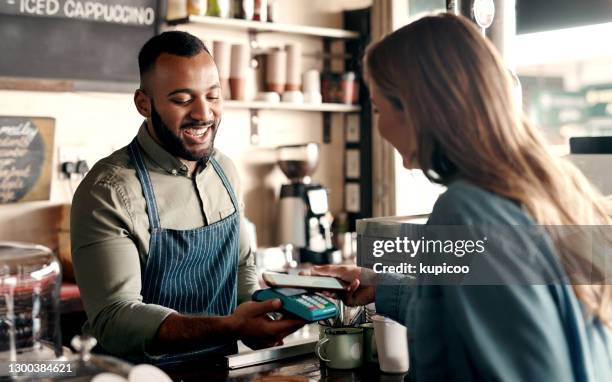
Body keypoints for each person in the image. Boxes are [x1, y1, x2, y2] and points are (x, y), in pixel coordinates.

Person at [309, 13, 612, 381]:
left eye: (377, 108)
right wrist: (380, 285)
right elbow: (482, 300)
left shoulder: (466, 210)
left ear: (416, 109)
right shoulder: (551, 186)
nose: (379, 125)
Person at [70, 31, 304, 365]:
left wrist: (260, 313)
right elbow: (115, 320)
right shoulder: (109, 191)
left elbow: (241, 265)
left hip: (222, 368)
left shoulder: (225, 171)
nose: (203, 113)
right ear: (144, 104)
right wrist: (230, 326)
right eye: (182, 100)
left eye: (213, 96)